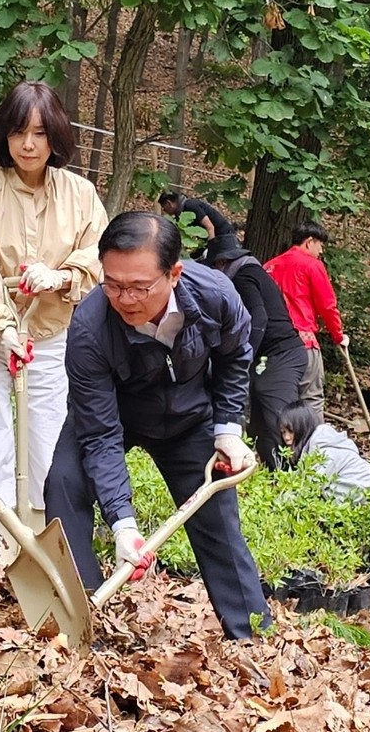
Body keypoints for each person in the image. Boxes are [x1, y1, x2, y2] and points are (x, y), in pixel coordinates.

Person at [43, 211, 271, 640]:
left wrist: (227, 429)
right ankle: (77, 619)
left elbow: (234, 356)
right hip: (114, 414)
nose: (125, 299)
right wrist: (124, 526)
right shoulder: (89, 329)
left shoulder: (216, 295)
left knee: (217, 521)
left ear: (175, 274)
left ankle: (253, 634)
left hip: (188, 416)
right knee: (64, 482)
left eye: (139, 287)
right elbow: (99, 434)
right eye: (112, 284)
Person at [0, 82, 107, 542]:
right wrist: (1, 325)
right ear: (4, 135)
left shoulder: (80, 194)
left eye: (39, 133)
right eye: (18, 132)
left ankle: (49, 533)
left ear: (55, 136)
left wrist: (61, 277)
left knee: (49, 433)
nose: (28, 144)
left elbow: (100, 250)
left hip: (50, 332)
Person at [205, 231, 306, 469]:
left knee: (279, 420)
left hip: (283, 353)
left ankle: (293, 478)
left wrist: (243, 357)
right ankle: (273, 474)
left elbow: (258, 318)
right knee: (259, 425)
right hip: (272, 355)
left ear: (221, 263)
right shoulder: (251, 272)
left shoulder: (242, 276)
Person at [263, 221, 346, 419]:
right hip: (304, 341)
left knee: (278, 399)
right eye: (320, 245)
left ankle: (276, 446)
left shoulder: (269, 266)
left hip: (272, 345)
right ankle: (311, 447)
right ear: (309, 242)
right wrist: (338, 336)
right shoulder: (312, 265)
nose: (321, 251)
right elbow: (327, 305)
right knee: (311, 398)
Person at [276, 402, 370, 502]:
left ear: (302, 427)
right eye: (283, 433)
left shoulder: (324, 450)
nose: (286, 438)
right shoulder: (316, 447)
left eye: (290, 431)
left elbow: (306, 490)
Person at [156, 191, 232, 260]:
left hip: (223, 236)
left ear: (169, 203)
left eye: (164, 207)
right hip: (206, 241)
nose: (164, 210)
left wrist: (210, 252)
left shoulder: (191, 206)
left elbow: (210, 227)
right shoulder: (180, 214)